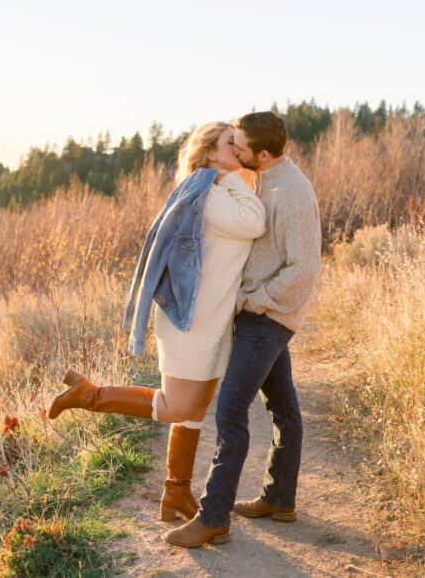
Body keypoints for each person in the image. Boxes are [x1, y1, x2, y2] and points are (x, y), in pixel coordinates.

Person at [48, 121, 265, 523]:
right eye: (230, 144)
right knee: (175, 405)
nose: (238, 150)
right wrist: (234, 177)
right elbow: (255, 222)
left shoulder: (220, 188)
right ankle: (89, 394)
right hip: (190, 320)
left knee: (194, 410)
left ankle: (176, 495)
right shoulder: (209, 194)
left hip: (213, 320)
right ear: (209, 153)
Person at [163, 111, 322, 548]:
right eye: (231, 142)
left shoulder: (290, 194)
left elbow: (305, 269)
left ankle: (213, 517)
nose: (234, 149)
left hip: (266, 318)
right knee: (284, 408)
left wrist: (258, 299)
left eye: (240, 146)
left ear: (263, 154)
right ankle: (279, 499)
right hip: (263, 314)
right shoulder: (266, 180)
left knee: (230, 413)